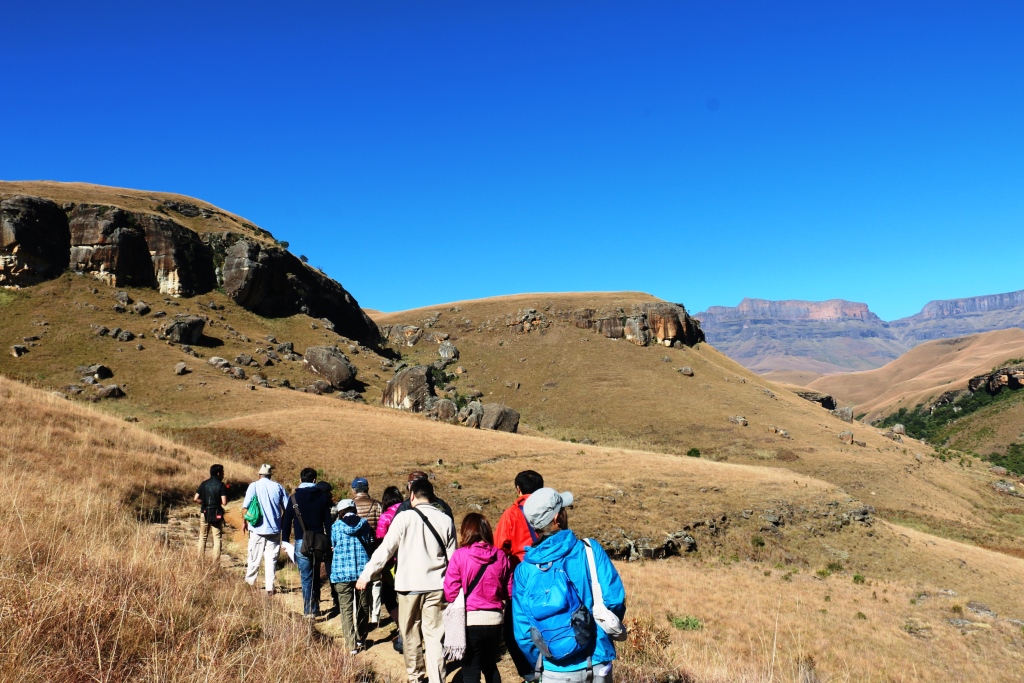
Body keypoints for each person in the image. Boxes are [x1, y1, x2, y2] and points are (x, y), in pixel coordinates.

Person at [512, 489, 626, 683]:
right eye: (563, 509)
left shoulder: (524, 570)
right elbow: (614, 599)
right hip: (596, 660)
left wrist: (546, 658)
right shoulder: (589, 550)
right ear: (558, 517)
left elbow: (523, 632)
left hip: (552, 670)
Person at [357, 478, 456, 683]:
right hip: (437, 586)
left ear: (412, 495)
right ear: (432, 495)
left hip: (408, 587)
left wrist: (366, 575)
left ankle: (416, 677)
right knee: (435, 635)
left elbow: (385, 550)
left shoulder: (403, 518)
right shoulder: (446, 520)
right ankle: (438, 678)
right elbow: (453, 559)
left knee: (410, 634)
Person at [443, 513, 513, 683]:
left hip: (470, 621)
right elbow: (509, 591)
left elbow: (450, 593)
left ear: (466, 531)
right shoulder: (501, 556)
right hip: (495, 621)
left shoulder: (459, 555)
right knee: (490, 666)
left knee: (471, 671)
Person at [493, 470, 545, 679]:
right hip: (550, 574)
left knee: (514, 631)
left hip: (521, 578)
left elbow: (499, 548)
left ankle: (530, 673)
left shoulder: (512, 514)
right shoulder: (551, 511)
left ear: (518, 489)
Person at [281, 467, 333, 617]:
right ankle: (315, 607)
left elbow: (286, 523)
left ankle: (308, 609)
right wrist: (329, 541)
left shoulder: (294, 498)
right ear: (315, 480)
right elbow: (327, 523)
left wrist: (284, 541)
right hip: (318, 541)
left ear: (300, 480)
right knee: (316, 574)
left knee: (306, 576)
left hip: (301, 541)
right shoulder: (322, 498)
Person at [331, 498, 377, 653]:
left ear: (341, 512)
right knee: (363, 607)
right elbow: (370, 543)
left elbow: (333, 544)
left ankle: (351, 645)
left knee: (346, 609)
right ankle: (361, 639)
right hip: (362, 573)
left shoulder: (336, 526)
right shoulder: (364, 524)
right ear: (354, 509)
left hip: (341, 572)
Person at [241, 463, 289, 595]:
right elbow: (288, 507)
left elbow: (245, 507)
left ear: (259, 475)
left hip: (256, 528)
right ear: (270, 475)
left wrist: (244, 522)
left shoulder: (254, 486)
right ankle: (269, 587)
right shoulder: (278, 487)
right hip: (274, 529)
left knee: (254, 558)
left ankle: (250, 583)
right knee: (271, 559)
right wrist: (282, 522)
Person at [376, 485, 406, 653]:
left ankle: (402, 627)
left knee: (389, 596)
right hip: (409, 562)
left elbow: (381, 541)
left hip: (391, 564)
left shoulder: (386, 517)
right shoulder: (408, 513)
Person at [351, 476, 384, 626]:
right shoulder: (377, 505)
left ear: (353, 490)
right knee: (376, 582)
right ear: (367, 489)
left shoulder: (351, 506)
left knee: (360, 582)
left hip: (358, 550)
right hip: (376, 549)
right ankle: (376, 615)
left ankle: (361, 612)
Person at [494, 470, 545, 561]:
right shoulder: (550, 509)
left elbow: (499, 546)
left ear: (518, 489)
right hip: (548, 562)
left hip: (520, 564)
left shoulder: (511, 513)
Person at [195, 463, 228, 560]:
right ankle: (215, 563)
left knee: (203, 537)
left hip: (204, 512)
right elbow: (224, 502)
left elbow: (195, 498)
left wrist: (203, 502)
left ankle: (200, 560)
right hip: (216, 514)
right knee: (217, 538)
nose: (223, 475)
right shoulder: (221, 485)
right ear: (218, 473)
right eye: (222, 472)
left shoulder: (204, 484)